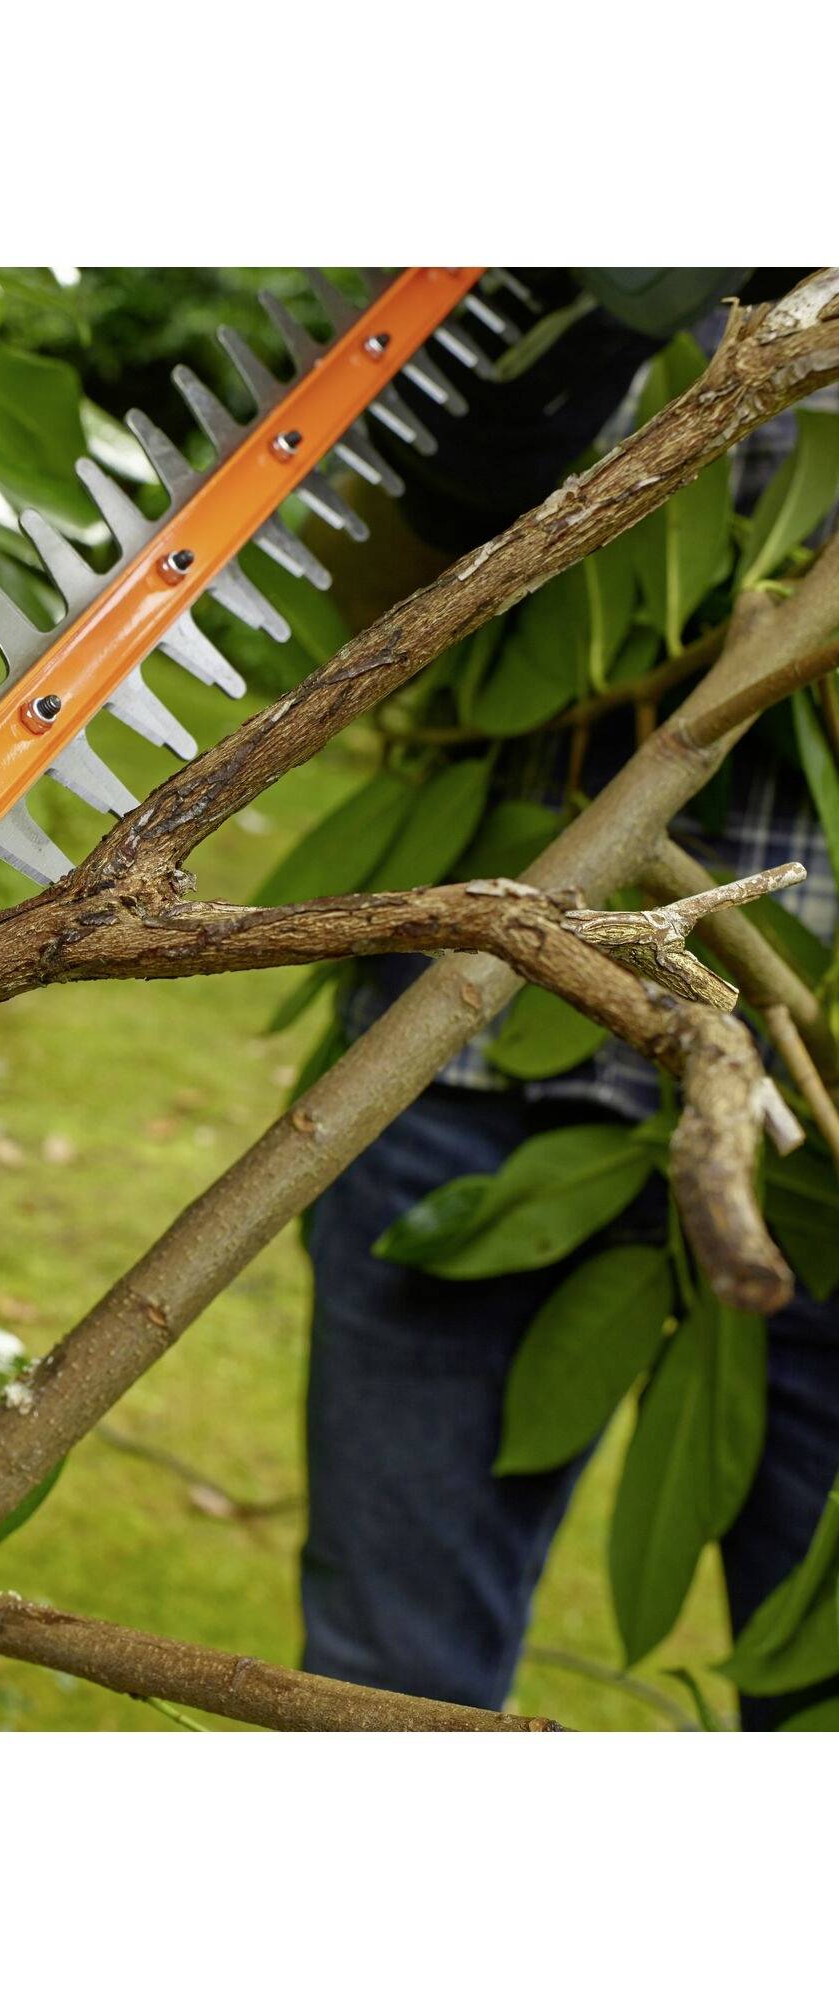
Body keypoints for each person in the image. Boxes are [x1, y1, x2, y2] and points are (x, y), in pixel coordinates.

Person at [296, 268, 839, 1729]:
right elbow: (339, 606)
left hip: (828, 1134)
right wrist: (532, 393)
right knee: (391, 1686)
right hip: (466, 1079)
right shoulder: (571, 250)